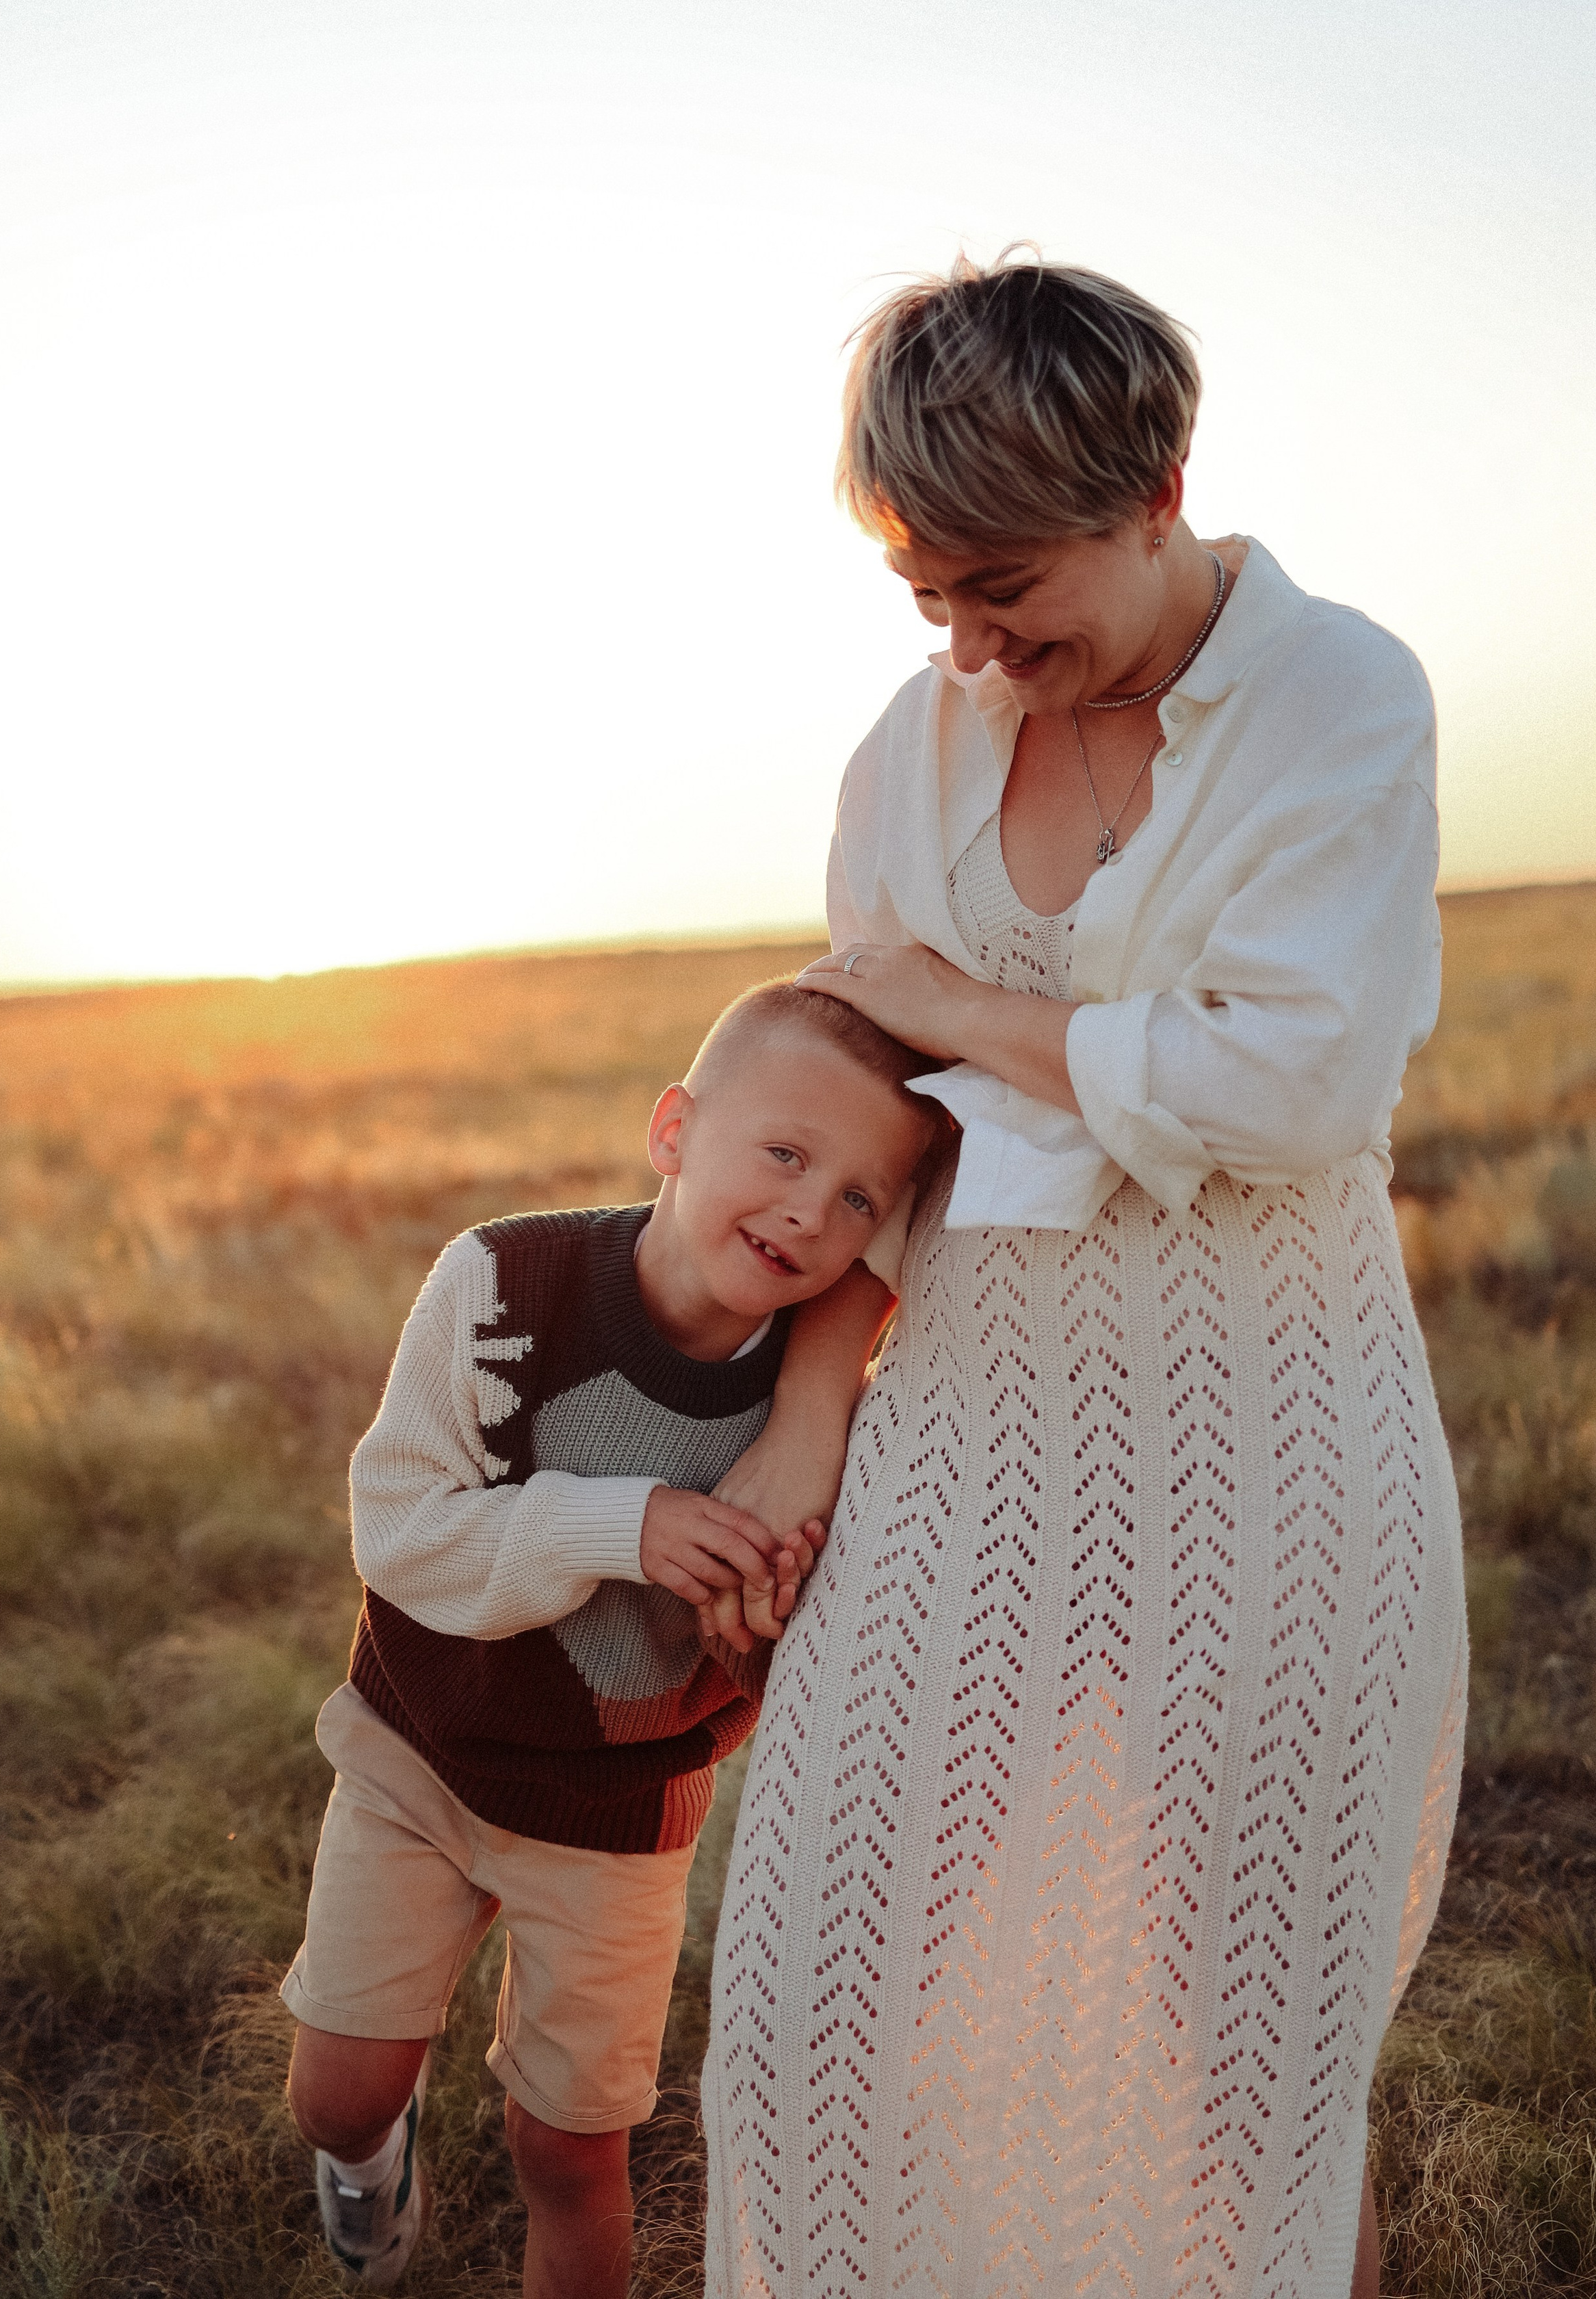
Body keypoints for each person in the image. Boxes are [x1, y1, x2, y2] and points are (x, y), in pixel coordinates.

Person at [701, 256, 1468, 2299]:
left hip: (1276, 1439)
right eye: (926, 593)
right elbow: (877, 1133)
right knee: (819, 2003)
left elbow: (1291, 1084)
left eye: (1002, 585)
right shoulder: (913, 746)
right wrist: (800, 1420)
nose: (967, 641)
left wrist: (956, 995)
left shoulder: (1338, 694)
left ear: (1159, 489)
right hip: (961, 1442)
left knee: (1260, 2069)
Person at [283, 981, 937, 2296]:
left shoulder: (827, 1417)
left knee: (572, 2154)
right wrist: (617, 1525)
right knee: (336, 2095)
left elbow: (783, 1650)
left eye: (862, 1196)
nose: (814, 1209)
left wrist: (753, 1624)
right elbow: (400, 1530)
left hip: (625, 1809)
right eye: (788, 1154)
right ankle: (367, 2158)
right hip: (426, 1750)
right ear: (673, 1130)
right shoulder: (502, 1285)